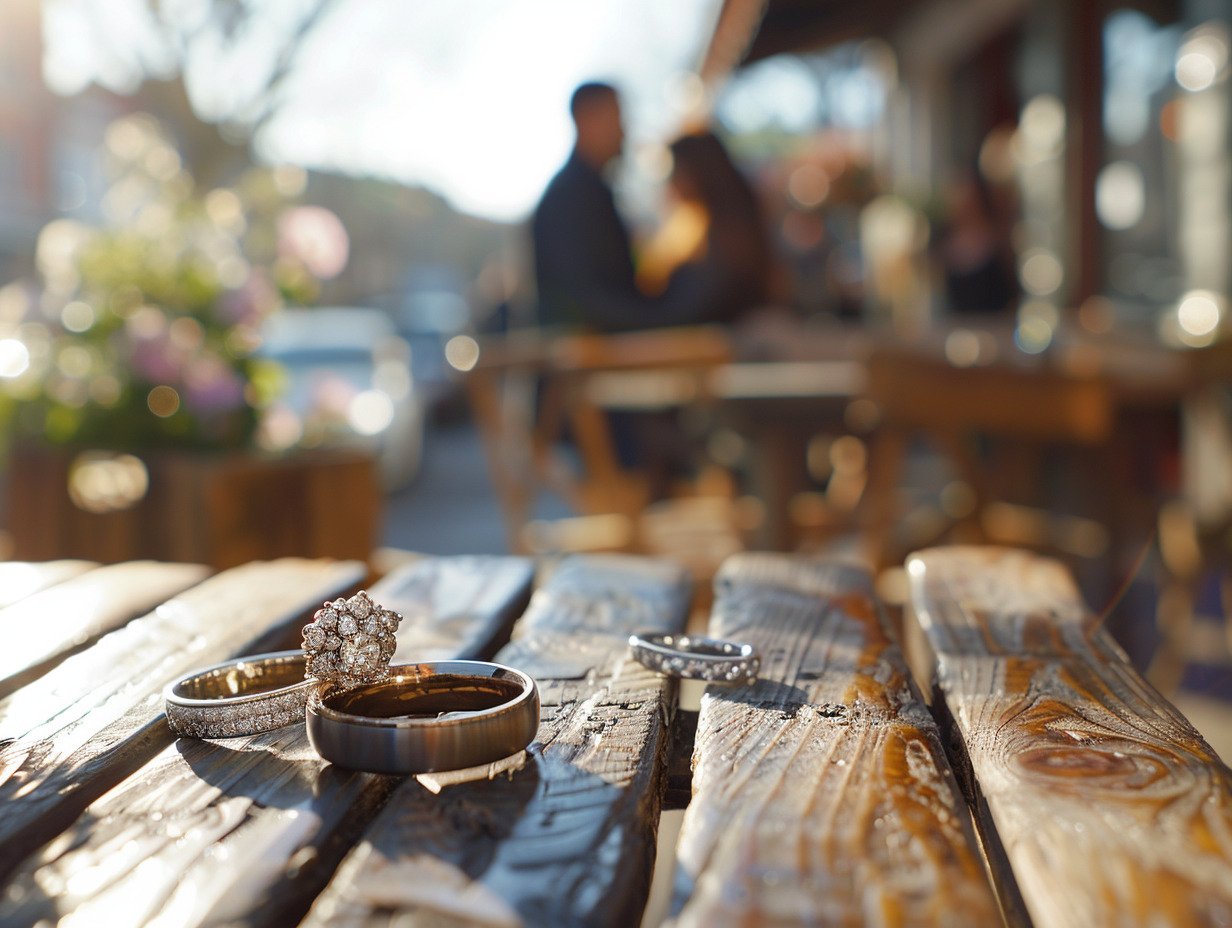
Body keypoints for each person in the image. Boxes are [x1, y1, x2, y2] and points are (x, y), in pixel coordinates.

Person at [533, 82, 660, 332]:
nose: (624, 133)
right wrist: (662, 318)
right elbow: (583, 299)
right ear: (586, 119)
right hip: (588, 360)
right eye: (618, 119)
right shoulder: (569, 196)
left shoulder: (588, 189)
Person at [652, 131, 774, 325]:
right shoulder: (725, 228)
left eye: (676, 169)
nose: (671, 181)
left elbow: (690, 310)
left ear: (697, 171)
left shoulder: (729, 242)